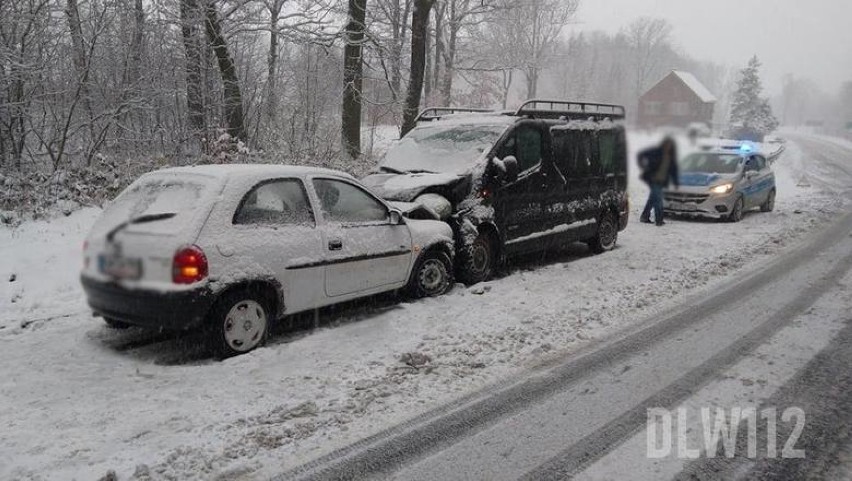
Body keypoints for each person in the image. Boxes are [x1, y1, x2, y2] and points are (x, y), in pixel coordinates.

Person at [638, 137, 679, 226]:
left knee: (652, 199)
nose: (668, 147)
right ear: (663, 144)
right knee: (658, 200)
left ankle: (644, 217)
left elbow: (673, 170)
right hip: (653, 179)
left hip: (662, 181)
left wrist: (675, 182)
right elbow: (641, 154)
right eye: (666, 145)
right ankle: (659, 220)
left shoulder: (670, 157)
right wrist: (643, 166)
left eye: (670, 145)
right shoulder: (656, 152)